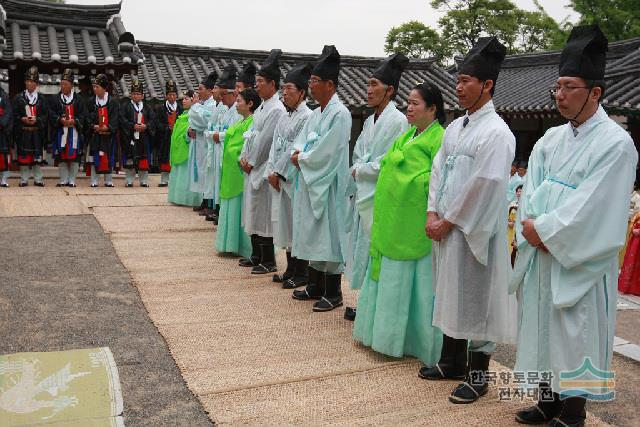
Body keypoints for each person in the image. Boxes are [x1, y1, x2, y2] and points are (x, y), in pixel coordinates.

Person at [511, 25, 637, 426]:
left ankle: (573, 411)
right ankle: (546, 401)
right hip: (546, 252)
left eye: (570, 87)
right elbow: (531, 190)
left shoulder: (616, 144)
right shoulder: (548, 139)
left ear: (595, 92)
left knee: (575, 332)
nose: (560, 95)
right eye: (558, 87)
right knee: (543, 328)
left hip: (578, 258)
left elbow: (595, 206)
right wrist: (534, 227)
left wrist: (545, 229)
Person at [422, 36, 518, 404]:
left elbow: (485, 186)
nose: (458, 88)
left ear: (487, 85)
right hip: (446, 227)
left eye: (466, 82)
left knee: (478, 300)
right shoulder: (456, 127)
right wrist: (433, 211)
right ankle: (450, 362)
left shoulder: (497, 132)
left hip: (473, 231)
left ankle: (478, 376)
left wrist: (449, 220)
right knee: (450, 294)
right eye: (458, 80)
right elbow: (438, 171)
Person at [353, 82, 445, 366]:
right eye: (408, 102)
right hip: (392, 219)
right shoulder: (405, 136)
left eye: (416, 103)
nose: (410, 107)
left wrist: (408, 181)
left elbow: (438, 179)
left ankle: (413, 343)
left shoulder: (440, 138)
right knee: (388, 280)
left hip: (415, 223)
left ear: (433, 109)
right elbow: (386, 167)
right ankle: (381, 337)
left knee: (414, 287)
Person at [344, 53, 410, 321]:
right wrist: (360, 167)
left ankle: (376, 307)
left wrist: (363, 169)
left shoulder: (398, 121)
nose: (369, 90)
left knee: (377, 249)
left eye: (374, 85)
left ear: (390, 90)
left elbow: (390, 160)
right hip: (364, 192)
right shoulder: (371, 120)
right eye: (368, 84)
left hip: (381, 194)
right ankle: (366, 303)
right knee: (364, 250)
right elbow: (359, 151)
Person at [290, 45, 352, 312]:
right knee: (313, 233)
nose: (312, 86)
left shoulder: (341, 114)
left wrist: (302, 158)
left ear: (330, 84)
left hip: (328, 183)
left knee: (330, 235)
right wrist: (299, 154)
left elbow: (329, 152)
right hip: (311, 179)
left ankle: (334, 290)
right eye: (311, 81)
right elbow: (300, 142)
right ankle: (315, 283)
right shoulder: (316, 114)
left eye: (316, 81)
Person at [265, 63, 313, 287]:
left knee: (296, 224)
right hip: (279, 178)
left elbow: (296, 148)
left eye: (290, 88)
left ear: (302, 92)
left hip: (293, 179)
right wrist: (271, 170)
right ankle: (290, 269)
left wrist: (280, 172)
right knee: (284, 224)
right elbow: (275, 145)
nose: (284, 92)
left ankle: (301, 272)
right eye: (283, 88)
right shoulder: (284, 116)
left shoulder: (308, 117)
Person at [239, 49, 286, 274]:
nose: (256, 86)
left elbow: (266, 141)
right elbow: (251, 133)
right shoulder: (262, 107)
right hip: (252, 165)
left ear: (272, 84)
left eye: (260, 82)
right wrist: (244, 157)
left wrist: (252, 161)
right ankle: (256, 254)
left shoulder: (276, 109)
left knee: (264, 213)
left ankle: (268, 260)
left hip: (263, 166)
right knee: (253, 211)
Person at [215, 88, 262, 258]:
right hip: (230, 171)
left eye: (240, 100)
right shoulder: (242, 121)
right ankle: (229, 244)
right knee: (230, 205)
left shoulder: (253, 122)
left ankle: (242, 246)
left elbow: (246, 146)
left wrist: (237, 156)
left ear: (250, 104)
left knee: (239, 208)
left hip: (239, 170)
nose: (237, 104)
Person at [205, 65, 243, 223]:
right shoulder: (225, 108)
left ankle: (220, 211)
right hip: (219, 147)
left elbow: (233, 133)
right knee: (217, 179)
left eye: (223, 95)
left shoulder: (237, 110)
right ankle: (217, 208)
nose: (221, 99)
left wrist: (217, 135)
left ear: (232, 94)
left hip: (227, 148)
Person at [50, 69, 85, 187]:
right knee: (61, 156)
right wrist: (60, 120)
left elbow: (83, 115)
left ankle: (72, 180)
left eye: (66, 84)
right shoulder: (55, 99)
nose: (63, 86)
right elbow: (51, 113)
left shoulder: (79, 100)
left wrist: (75, 121)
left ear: (71, 85)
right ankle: (63, 179)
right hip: (61, 131)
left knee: (75, 156)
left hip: (74, 132)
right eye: (62, 83)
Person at [168, 91, 203, 206]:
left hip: (189, 150)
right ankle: (177, 198)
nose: (183, 101)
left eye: (187, 98)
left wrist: (187, 134)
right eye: (183, 99)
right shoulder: (182, 115)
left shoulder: (195, 115)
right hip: (179, 148)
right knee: (179, 174)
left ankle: (189, 199)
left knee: (186, 175)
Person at [188, 72, 218, 209]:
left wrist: (195, 107)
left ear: (209, 90)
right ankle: (204, 199)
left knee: (207, 170)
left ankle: (208, 201)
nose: (198, 92)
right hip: (200, 141)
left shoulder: (212, 105)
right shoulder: (204, 103)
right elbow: (194, 120)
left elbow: (204, 120)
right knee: (201, 169)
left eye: (200, 89)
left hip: (208, 143)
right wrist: (191, 129)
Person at [14, 66, 47, 187]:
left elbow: (45, 116)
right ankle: (24, 179)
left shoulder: (42, 99)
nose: (29, 83)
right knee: (24, 157)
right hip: (24, 131)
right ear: (25, 82)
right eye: (27, 81)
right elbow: (15, 114)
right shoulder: (18, 98)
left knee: (37, 157)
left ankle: (38, 178)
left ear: (36, 84)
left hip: (37, 131)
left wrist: (37, 120)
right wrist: (22, 119)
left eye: (32, 81)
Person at [120, 79, 155, 187]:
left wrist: (146, 126)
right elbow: (122, 119)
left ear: (142, 95)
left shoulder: (147, 107)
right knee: (130, 158)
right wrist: (132, 126)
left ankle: (143, 180)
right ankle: (129, 180)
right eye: (134, 94)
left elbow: (153, 120)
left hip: (144, 137)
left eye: (138, 94)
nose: (136, 96)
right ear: (131, 95)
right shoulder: (125, 106)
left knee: (143, 158)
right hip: (130, 136)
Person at [85, 74, 118, 187]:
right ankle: (94, 180)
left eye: (97, 87)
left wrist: (109, 127)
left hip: (108, 135)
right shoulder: (90, 101)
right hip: (96, 134)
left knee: (108, 156)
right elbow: (87, 117)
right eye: (94, 87)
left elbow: (115, 117)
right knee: (95, 156)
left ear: (104, 88)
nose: (95, 89)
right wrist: (93, 126)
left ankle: (108, 180)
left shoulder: (112, 101)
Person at [156, 79, 182, 187]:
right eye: (170, 95)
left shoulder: (180, 108)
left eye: (174, 95)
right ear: (166, 96)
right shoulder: (161, 108)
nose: (172, 97)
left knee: (176, 157)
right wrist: (167, 127)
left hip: (177, 137)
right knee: (165, 157)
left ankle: (175, 179)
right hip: (164, 137)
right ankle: (164, 179)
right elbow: (157, 122)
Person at [619, 211, 640, 296]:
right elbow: (633, 222)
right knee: (632, 261)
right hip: (636, 241)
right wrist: (633, 229)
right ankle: (628, 287)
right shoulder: (638, 213)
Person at [0, 86, 13, 187]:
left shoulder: (4, 97)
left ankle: (4, 179)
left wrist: (2, 123)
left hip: (2, 132)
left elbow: (8, 114)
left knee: (3, 157)